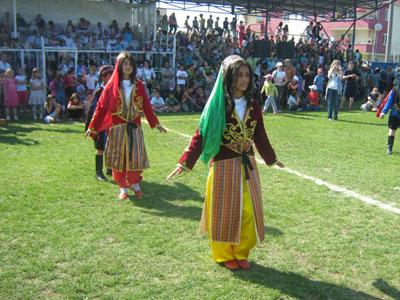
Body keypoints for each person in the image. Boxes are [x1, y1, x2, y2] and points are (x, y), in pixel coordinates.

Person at [167, 55, 284, 270]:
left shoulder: (254, 105)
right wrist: (184, 162)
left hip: (247, 165)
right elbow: (201, 135)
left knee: (248, 211)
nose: (244, 79)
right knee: (224, 212)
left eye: (247, 75)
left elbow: (260, 136)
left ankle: (241, 251)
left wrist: (271, 158)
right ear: (229, 77)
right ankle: (223, 254)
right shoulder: (218, 105)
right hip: (222, 165)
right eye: (239, 75)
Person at [85, 52, 167, 200]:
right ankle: (123, 187)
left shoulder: (139, 85)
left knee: (136, 158)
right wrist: (92, 127)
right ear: (119, 66)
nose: (128, 67)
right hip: (117, 129)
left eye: (130, 64)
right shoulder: (111, 86)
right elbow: (101, 108)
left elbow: (147, 107)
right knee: (119, 160)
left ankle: (135, 184)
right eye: (125, 64)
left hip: (134, 128)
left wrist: (155, 123)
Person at [85, 64, 114, 181]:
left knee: (111, 146)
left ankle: (110, 168)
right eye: (109, 75)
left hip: (112, 123)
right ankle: (98, 172)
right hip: (100, 124)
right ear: (103, 77)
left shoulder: (115, 89)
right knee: (100, 147)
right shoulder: (99, 92)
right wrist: (91, 126)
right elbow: (93, 109)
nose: (112, 77)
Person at [379, 87, 400, 155]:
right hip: (395, 113)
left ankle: (389, 148)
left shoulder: (395, 89)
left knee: (392, 130)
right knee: (392, 130)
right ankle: (389, 148)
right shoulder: (395, 89)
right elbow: (389, 101)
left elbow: (389, 101)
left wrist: (383, 112)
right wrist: (383, 111)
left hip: (395, 112)